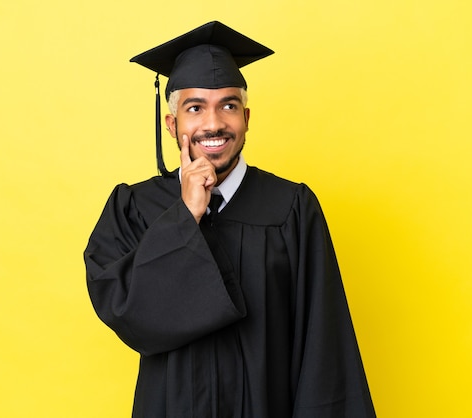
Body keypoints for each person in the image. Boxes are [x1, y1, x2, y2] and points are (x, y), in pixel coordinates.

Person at [84, 21, 376, 418]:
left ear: (246, 117)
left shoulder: (291, 208)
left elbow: (324, 346)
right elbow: (127, 311)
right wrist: (185, 214)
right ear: (172, 125)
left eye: (228, 105)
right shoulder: (135, 207)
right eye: (195, 108)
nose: (214, 123)